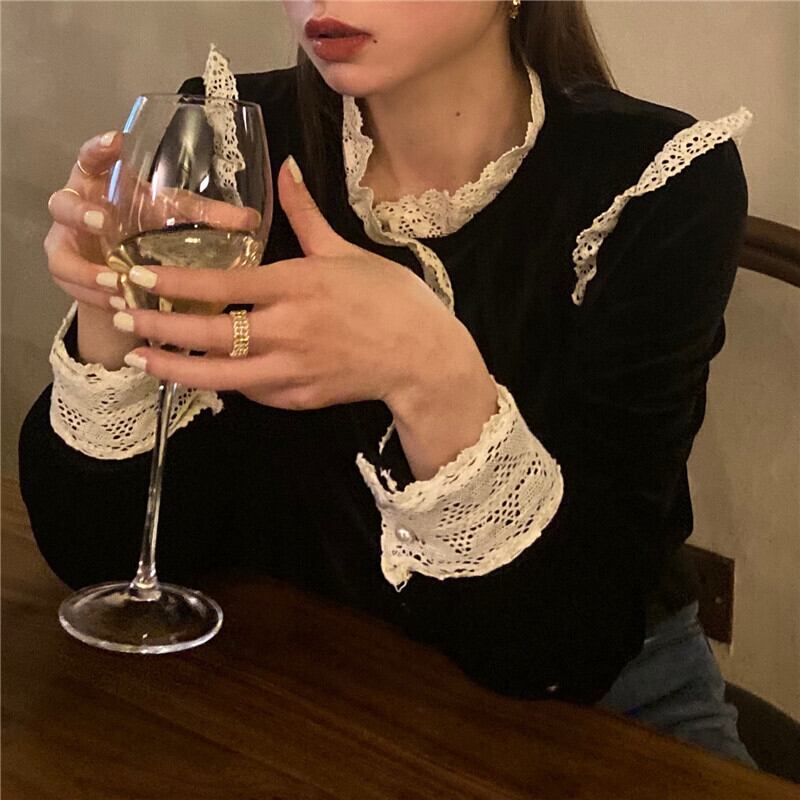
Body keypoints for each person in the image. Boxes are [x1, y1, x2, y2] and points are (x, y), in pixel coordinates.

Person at [20, 0, 757, 768]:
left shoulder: (652, 182)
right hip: (306, 685)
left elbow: (565, 646)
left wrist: (429, 376)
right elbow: (103, 560)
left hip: (603, 711)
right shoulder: (237, 139)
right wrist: (109, 309)